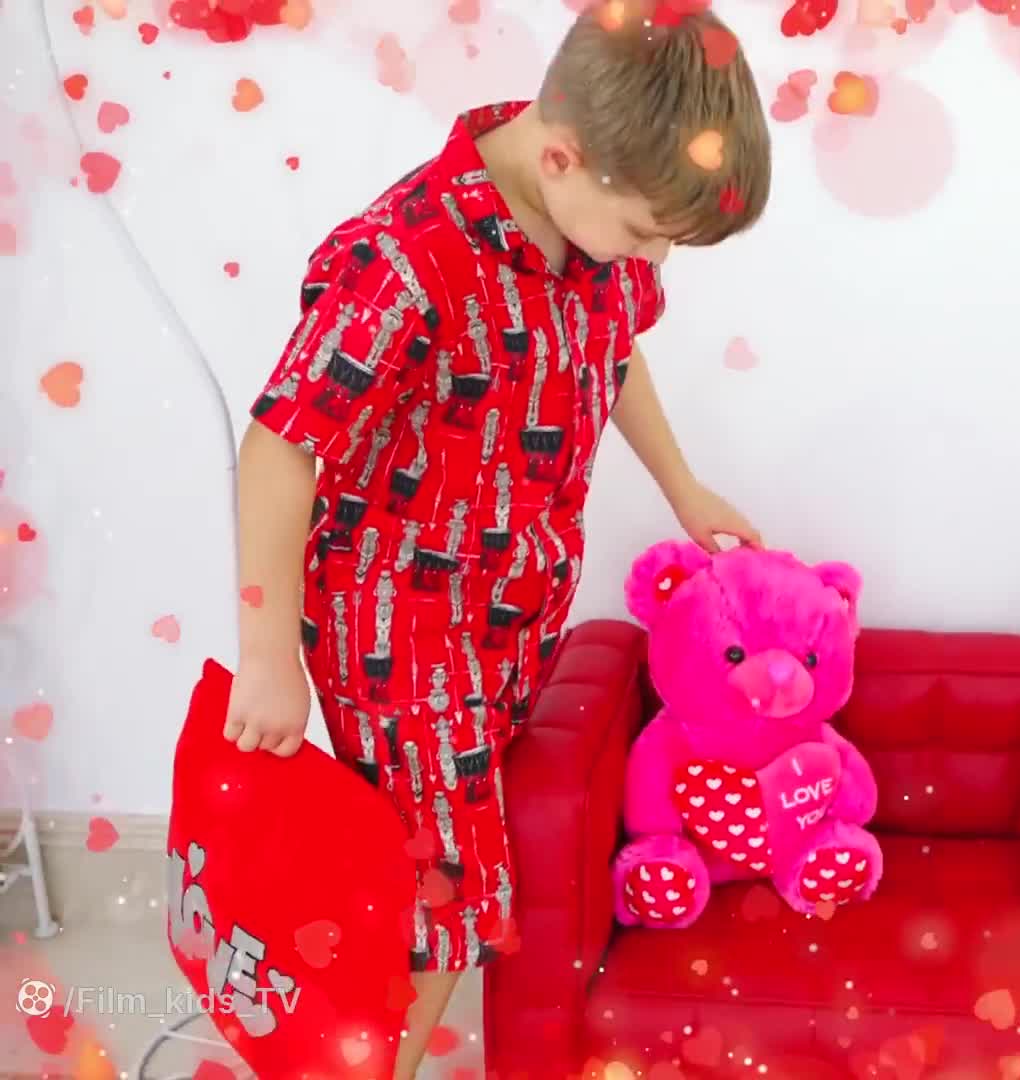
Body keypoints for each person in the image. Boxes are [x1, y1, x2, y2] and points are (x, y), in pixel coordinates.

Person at [220, 2, 769, 1075]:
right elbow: (279, 446)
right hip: (399, 624)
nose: (656, 256)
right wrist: (265, 653)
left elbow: (614, 346)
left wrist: (684, 489)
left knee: (432, 873)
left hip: (512, 607)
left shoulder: (595, 213)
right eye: (647, 232)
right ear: (560, 156)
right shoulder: (406, 258)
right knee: (446, 895)